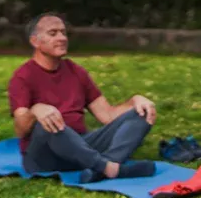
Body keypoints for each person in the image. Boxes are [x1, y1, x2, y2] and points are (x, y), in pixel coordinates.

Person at [9, 13, 157, 182]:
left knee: (142, 112)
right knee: (47, 123)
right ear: (35, 41)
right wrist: (35, 111)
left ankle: (104, 167)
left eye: (63, 33)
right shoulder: (23, 76)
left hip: (80, 148)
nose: (62, 38)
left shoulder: (76, 72)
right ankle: (106, 167)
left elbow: (107, 115)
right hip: (44, 158)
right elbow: (20, 129)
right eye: (53, 33)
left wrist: (135, 101)